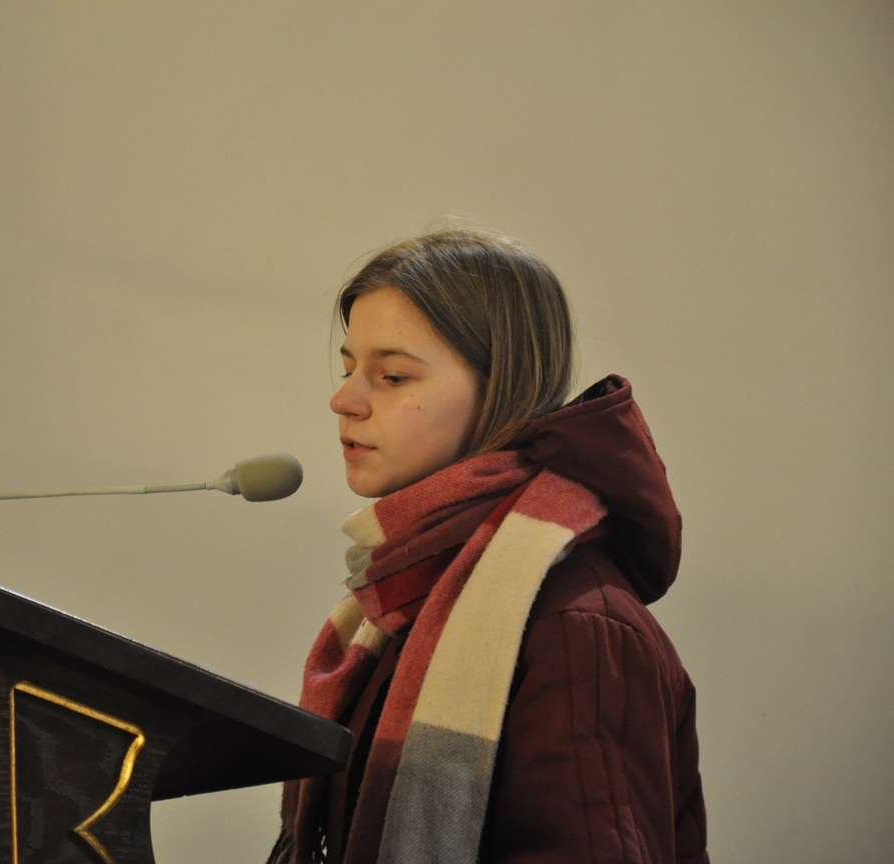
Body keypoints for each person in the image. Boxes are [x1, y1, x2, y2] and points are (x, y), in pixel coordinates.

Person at [268, 230, 709, 864]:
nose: (344, 400)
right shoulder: (413, 591)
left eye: (392, 376)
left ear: (501, 387)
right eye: (348, 369)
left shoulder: (576, 626)